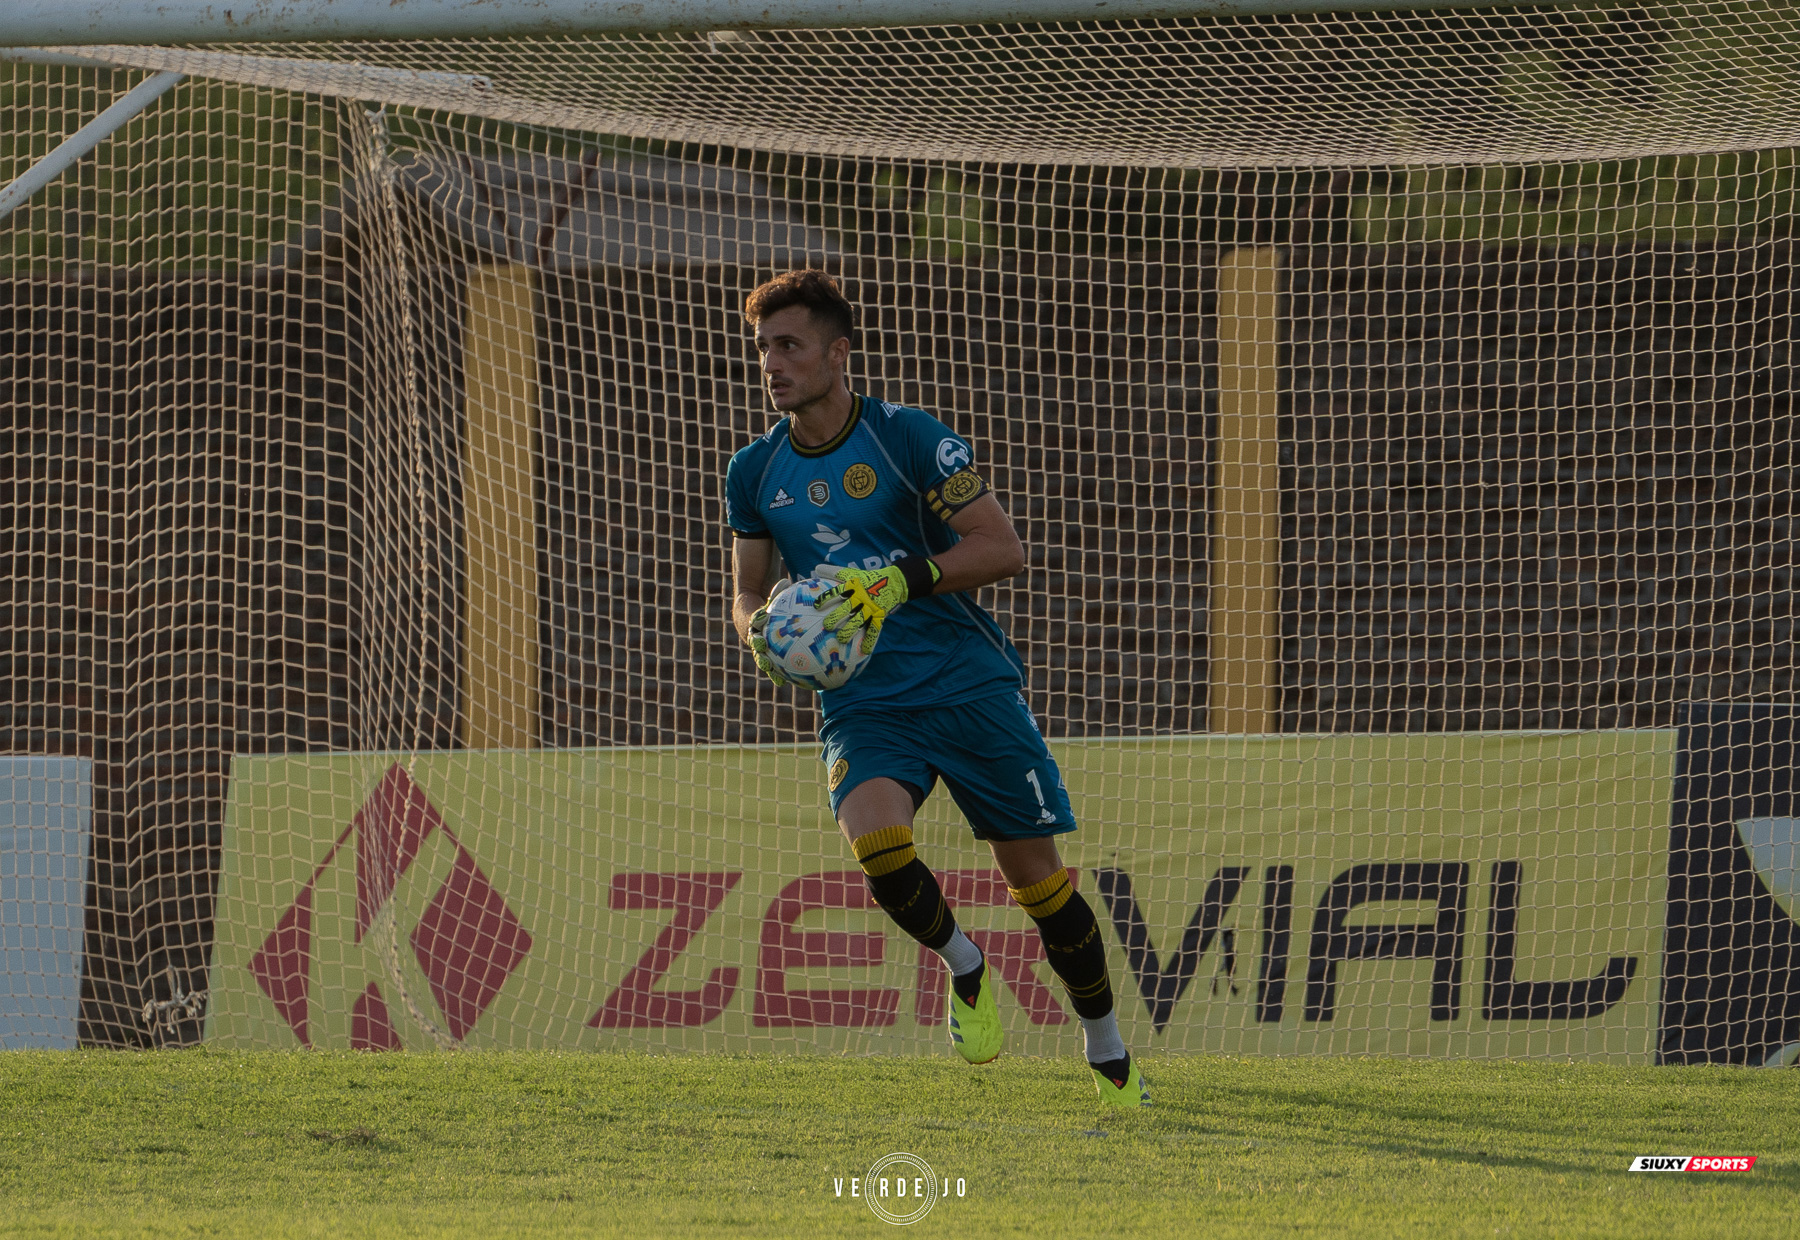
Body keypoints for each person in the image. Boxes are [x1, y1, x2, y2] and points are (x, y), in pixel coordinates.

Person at [725, 270, 1147, 1106]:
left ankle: (1105, 1040)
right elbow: (744, 590)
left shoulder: (909, 438)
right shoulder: (753, 471)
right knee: (877, 847)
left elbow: (1001, 548)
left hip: (966, 685)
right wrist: (759, 635)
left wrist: (896, 582)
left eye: (789, 345)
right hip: (865, 700)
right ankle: (965, 967)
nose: (772, 363)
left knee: (1039, 887)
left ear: (837, 353)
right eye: (763, 347)